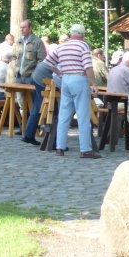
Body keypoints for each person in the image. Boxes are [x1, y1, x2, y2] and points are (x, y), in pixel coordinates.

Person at [44, 24, 101, 159]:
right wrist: (93, 84)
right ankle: (85, 149)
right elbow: (88, 66)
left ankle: (60, 147)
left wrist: (60, 72)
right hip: (79, 79)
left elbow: (48, 62)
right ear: (82, 35)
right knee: (83, 116)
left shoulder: (62, 46)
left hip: (66, 80)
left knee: (64, 115)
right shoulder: (83, 46)